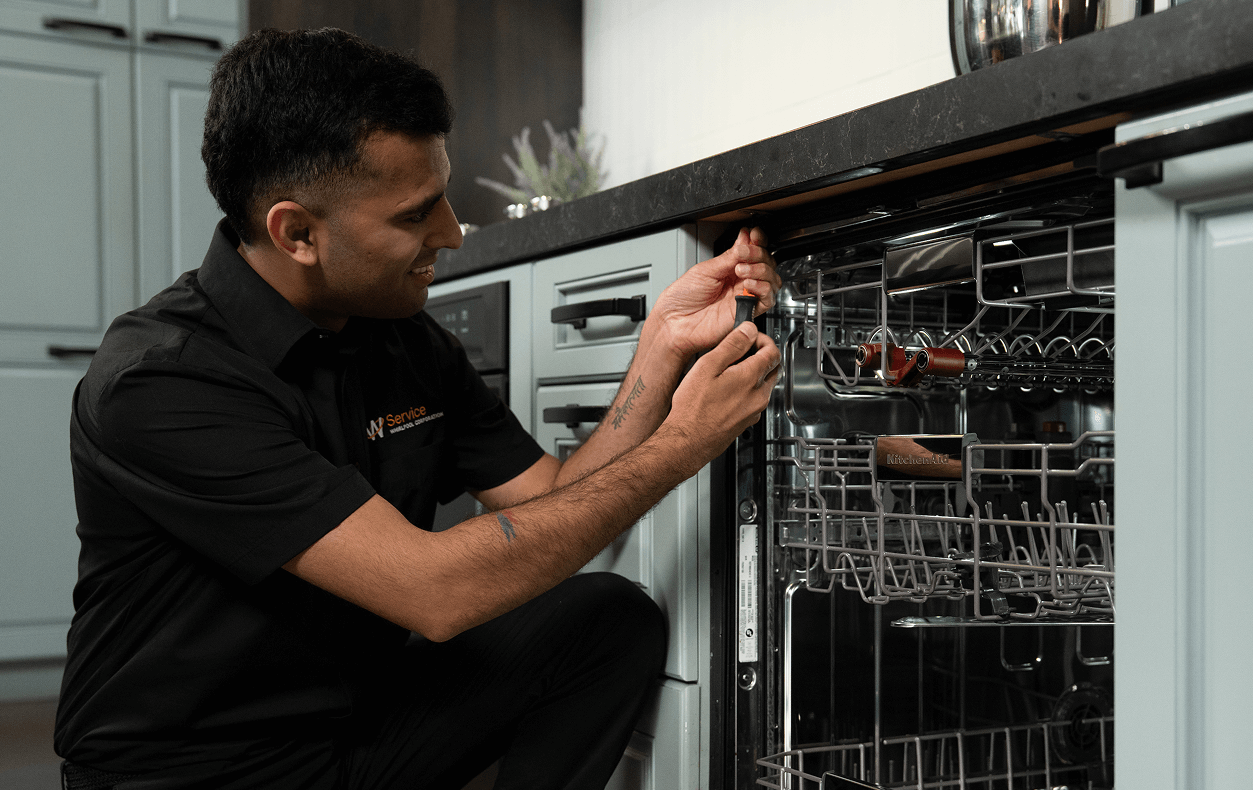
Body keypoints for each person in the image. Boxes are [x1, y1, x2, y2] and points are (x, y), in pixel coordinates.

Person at [54, 27, 780, 790]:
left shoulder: (398, 336)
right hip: (191, 774)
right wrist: (684, 442)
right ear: (296, 231)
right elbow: (438, 593)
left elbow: (550, 505)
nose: (455, 234)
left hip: (354, 729)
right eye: (416, 215)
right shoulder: (162, 380)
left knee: (606, 619)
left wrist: (661, 347)